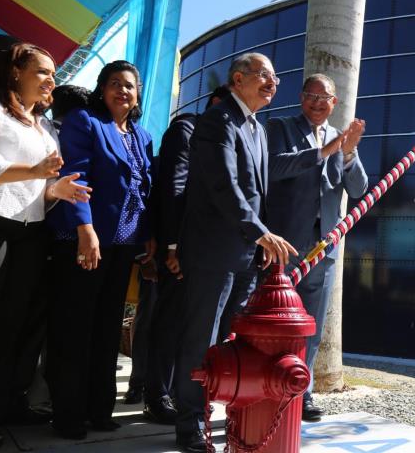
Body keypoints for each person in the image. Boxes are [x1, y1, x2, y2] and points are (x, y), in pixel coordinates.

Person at [174, 54, 295, 453]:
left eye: (275, 77)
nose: (272, 82)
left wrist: (259, 242)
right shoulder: (217, 121)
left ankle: (217, 411)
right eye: (264, 75)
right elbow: (223, 188)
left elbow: (260, 190)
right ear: (238, 78)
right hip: (212, 253)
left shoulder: (258, 129)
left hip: (245, 257)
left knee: (230, 341)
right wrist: (261, 234)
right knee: (201, 339)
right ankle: (190, 422)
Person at [45, 60, 155, 440]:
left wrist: (149, 237)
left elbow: (144, 190)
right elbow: (75, 175)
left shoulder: (141, 135)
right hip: (85, 239)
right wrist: (85, 230)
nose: (122, 90)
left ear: (137, 93)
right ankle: (68, 414)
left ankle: (99, 409)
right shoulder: (84, 121)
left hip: (124, 244)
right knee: (76, 328)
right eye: (114, 83)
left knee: (108, 329)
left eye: (129, 85)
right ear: (101, 88)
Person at [0, 43, 90, 450]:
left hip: (32, 235)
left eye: (54, 73)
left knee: (11, 331)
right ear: (15, 72)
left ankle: (2, 408)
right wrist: (34, 172)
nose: (52, 80)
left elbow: (40, 186)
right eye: (43, 72)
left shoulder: (45, 127)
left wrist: (56, 191)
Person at [265, 73, 367, 421]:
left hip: (323, 248)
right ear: (301, 97)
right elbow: (273, 168)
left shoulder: (342, 140)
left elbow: (358, 189)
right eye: (312, 95)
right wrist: (324, 150)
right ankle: (268, 387)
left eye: (325, 98)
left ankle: (301, 393)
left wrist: (349, 152)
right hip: (284, 246)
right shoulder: (279, 127)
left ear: (334, 103)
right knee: (276, 323)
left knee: (311, 325)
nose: (318, 102)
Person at [131, 84, 230, 424]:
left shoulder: (230, 137)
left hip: (210, 250)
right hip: (181, 247)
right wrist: (172, 244)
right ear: (216, 103)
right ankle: (155, 394)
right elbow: (175, 186)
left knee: (195, 327)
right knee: (169, 320)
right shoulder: (187, 130)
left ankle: (177, 393)